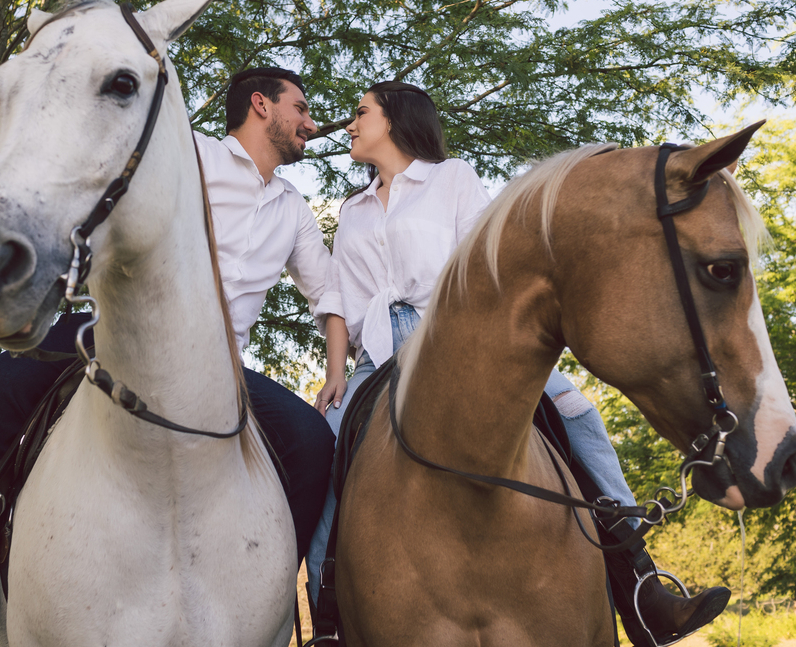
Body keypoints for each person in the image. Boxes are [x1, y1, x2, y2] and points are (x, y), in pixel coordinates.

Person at [0, 67, 339, 647]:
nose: (309, 120)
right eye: (300, 106)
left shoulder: (294, 208)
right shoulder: (189, 154)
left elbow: (328, 293)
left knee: (313, 440)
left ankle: (273, 604)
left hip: (221, 368)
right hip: (113, 331)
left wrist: (337, 369)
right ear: (261, 106)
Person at [306, 81, 731, 647]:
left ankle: (642, 586)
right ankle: (327, 617)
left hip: (455, 337)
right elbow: (337, 299)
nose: (350, 124)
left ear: (396, 120)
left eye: (361, 113)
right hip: (376, 354)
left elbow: (486, 262)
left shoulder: (452, 178)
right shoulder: (352, 209)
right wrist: (337, 373)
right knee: (324, 450)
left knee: (576, 413)